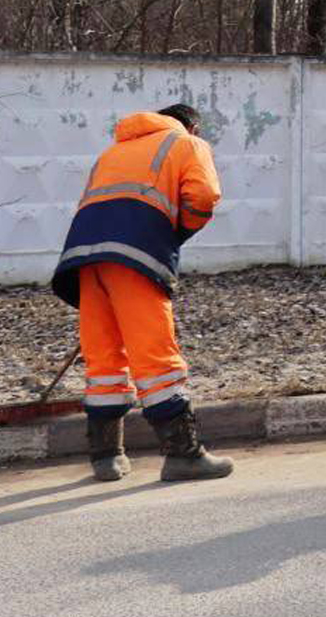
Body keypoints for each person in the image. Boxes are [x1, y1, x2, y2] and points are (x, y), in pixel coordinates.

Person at [51, 104, 233, 482]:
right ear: (193, 126)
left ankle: (105, 456)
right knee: (154, 354)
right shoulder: (187, 144)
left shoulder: (112, 152)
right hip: (134, 254)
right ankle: (183, 454)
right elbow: (203, 196)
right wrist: (175, 233)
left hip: (83, 256)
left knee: (103, 355)